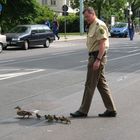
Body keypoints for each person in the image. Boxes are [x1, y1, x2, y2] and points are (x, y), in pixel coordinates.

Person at [70, 7, 117, 118]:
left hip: (97, 57)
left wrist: (98, 60)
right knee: (101, 85)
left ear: (93, 13)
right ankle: (111, 109)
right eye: (85, 17)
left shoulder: (99, 25)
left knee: (89, 85)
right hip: (94, 57)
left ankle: (83, 110)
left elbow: (102, 45)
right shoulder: (92, 25)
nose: (86, 19)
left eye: (87, 16)